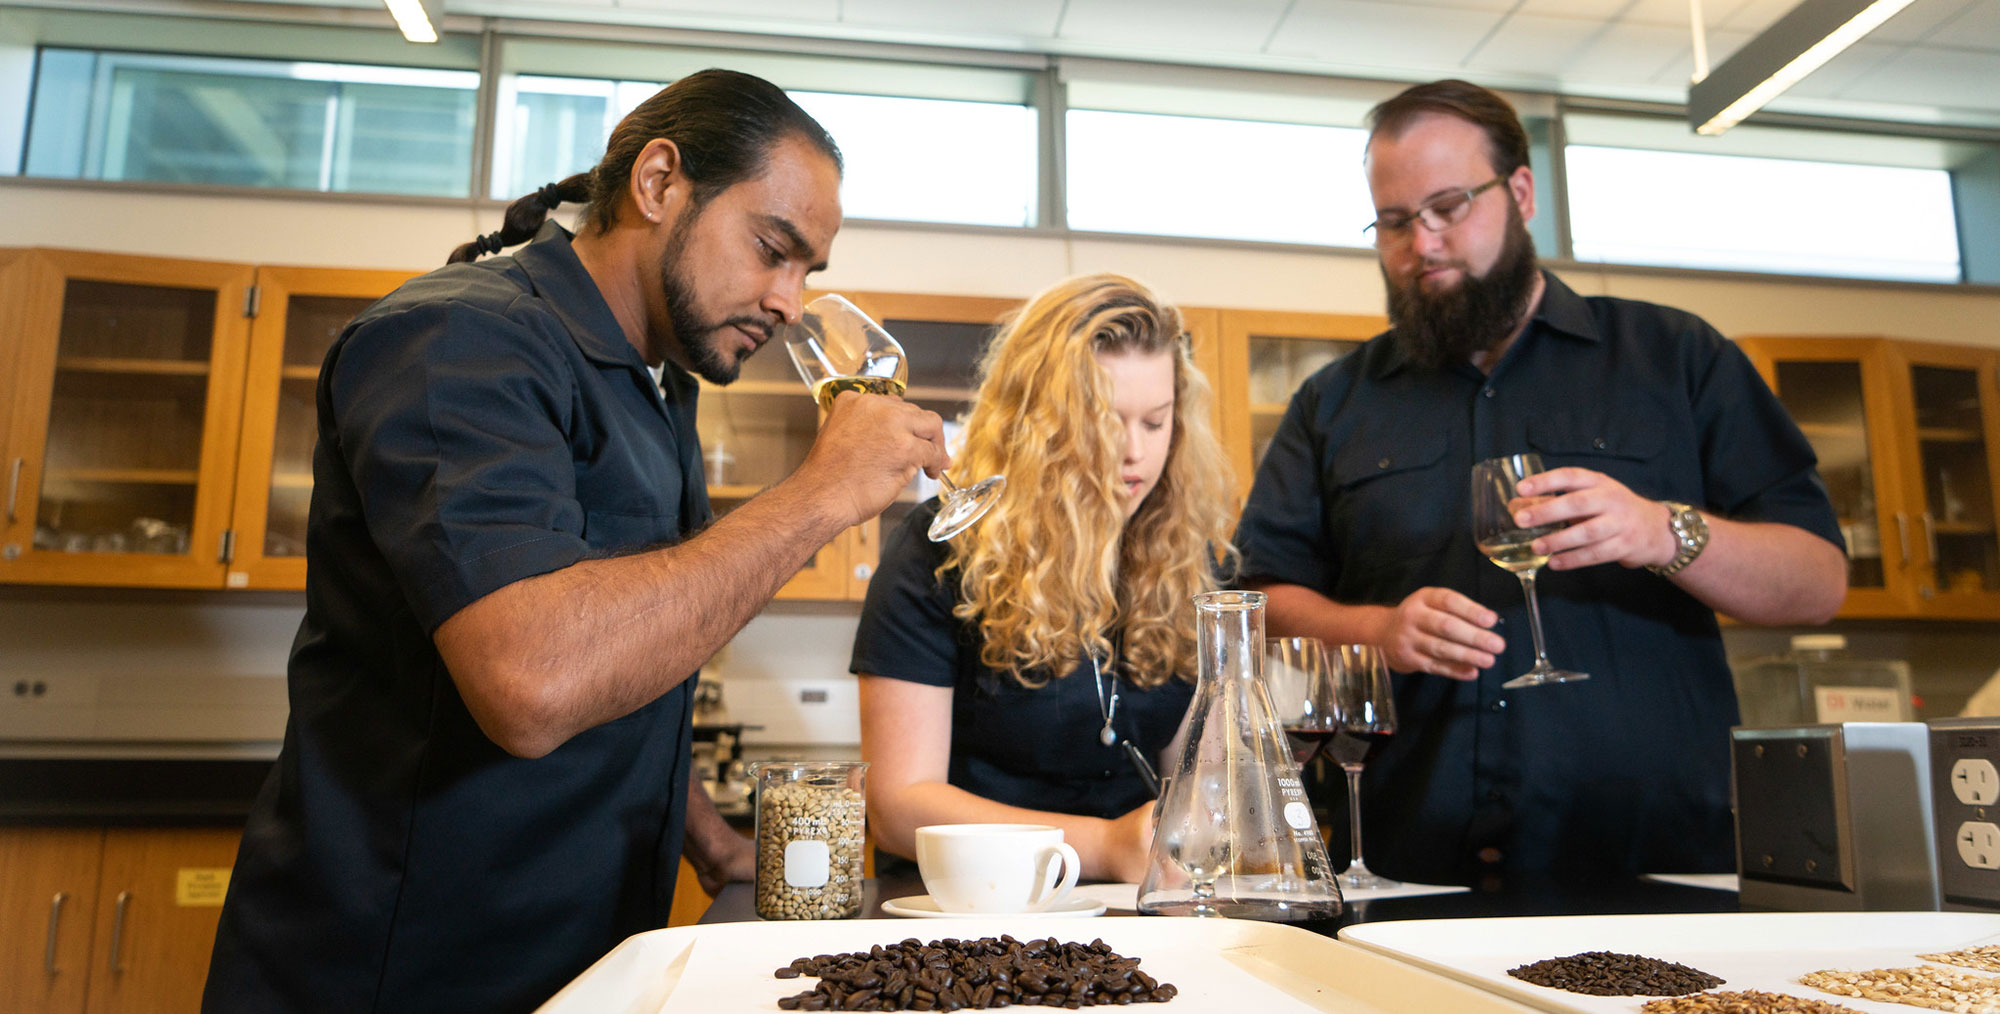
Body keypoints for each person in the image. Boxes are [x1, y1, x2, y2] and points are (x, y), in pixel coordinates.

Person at [203, 69, 949, 1013]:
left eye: (809, 271)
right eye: (772, 249)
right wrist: (818, 495)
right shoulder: (456, 341)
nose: (790, 299)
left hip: (574, 955)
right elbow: (536, 681)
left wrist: (711, 840)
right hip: (400, 966)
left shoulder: (658, 380)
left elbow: (620, 649)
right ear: (659, 182)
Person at [1233, 79, 1848, 885]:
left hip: (1659, 862)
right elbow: (1254, 606)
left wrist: (1665, 532)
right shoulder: (1334, 401)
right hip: (1407, 867)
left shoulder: (1675, 357)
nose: (1423, 243)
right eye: (1393, 221)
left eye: (1449, 207)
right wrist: (1377, 632)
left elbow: (1817, 581)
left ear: (1519, 191)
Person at [851, 274, 1237, 885]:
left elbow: (1202, 784)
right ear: (1039, 421)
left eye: (1156, 422)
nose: (1134, 452)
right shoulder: (942, 552)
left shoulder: (1185, 559)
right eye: (1105, 420)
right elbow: (898, 808)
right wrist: (1106, 847)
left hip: (1137, 918)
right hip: (969, 920)